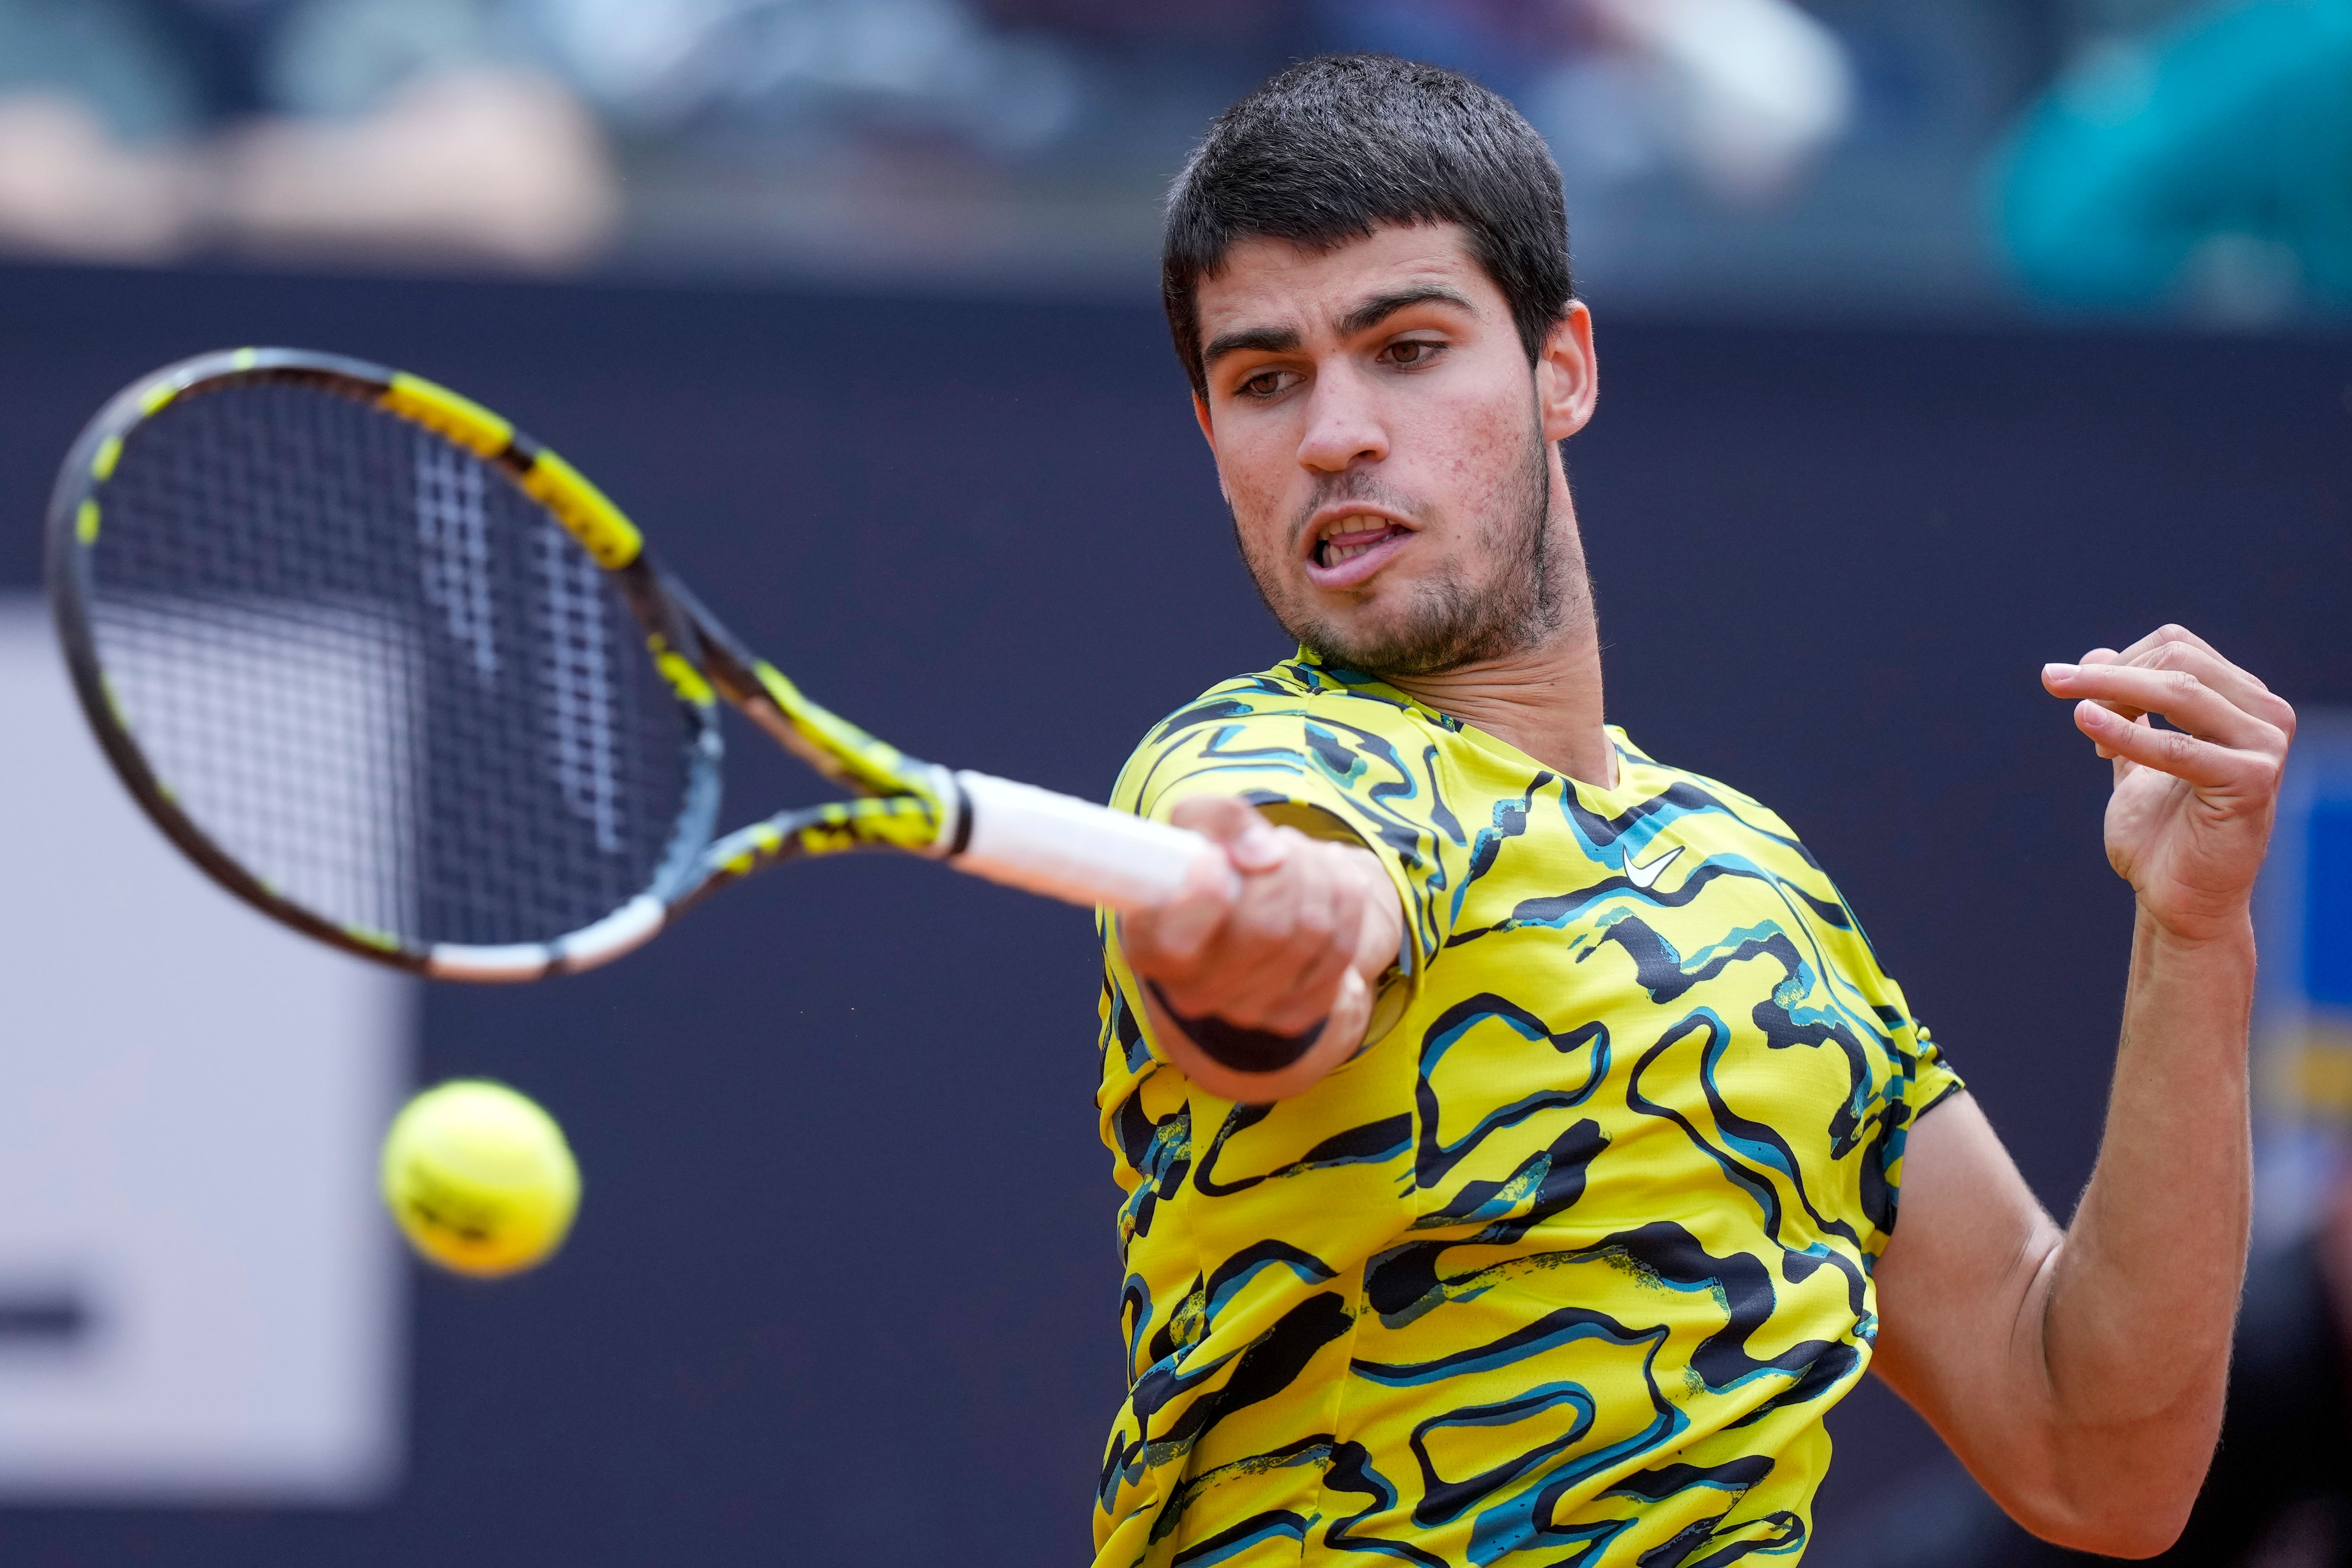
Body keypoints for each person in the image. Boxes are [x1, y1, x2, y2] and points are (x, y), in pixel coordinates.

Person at [1091, 53, 2296, 1568]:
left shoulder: (1754, 880)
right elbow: (1294, 924)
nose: (1335, 432)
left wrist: (2195, 936)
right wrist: (1273, 935)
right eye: (1265, 380)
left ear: (1562, 368)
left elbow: (2096, 1457)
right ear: (1215, 439)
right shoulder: (1249, 769)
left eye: (1406, 348)